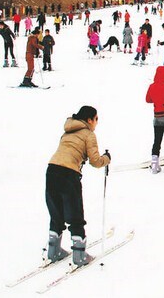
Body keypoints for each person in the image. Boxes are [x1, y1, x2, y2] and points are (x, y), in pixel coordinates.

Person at [45, 106, 111, 266]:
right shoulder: (89, 134)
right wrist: (106, 159)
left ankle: (54, 251)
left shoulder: (67, 131)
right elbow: (95, 161)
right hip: (69, 174)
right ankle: (79, 255)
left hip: (52, 170)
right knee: (74, 212)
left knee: (56, 211)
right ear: (89, 120)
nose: (96, 123)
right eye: (96, 119)